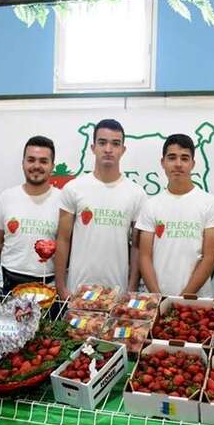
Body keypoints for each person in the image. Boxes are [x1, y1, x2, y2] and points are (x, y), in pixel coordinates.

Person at [54, 119, 146, 297]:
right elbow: (63, 239)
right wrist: (61, 287)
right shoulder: (73, 188)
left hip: (117, 293)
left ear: (123, 150)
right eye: (102, 142)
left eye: (115, 144)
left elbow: (137, 247)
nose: (108, 149)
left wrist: (132, 289)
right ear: (93, 147)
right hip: (76, 291)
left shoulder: (136, 194)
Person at [137, 134, 214, 297]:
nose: (178, 164)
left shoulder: (210, 203)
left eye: (184, 158)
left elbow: (210, 257)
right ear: (162, 162)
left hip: (196, 302)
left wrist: (184, 298)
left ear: (193, 164)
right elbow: (144, 257)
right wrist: (159, 298)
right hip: (158, 299)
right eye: (172, 158)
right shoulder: (150, 205)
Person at [0, 136, 61, 294]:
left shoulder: (63, 200)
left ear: (52, 166)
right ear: (23, 163)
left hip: (47, 284)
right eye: (31, 160)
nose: (36, 166)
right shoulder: (6, 197)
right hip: (8, 282)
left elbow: (66, 245)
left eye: (43, 161)